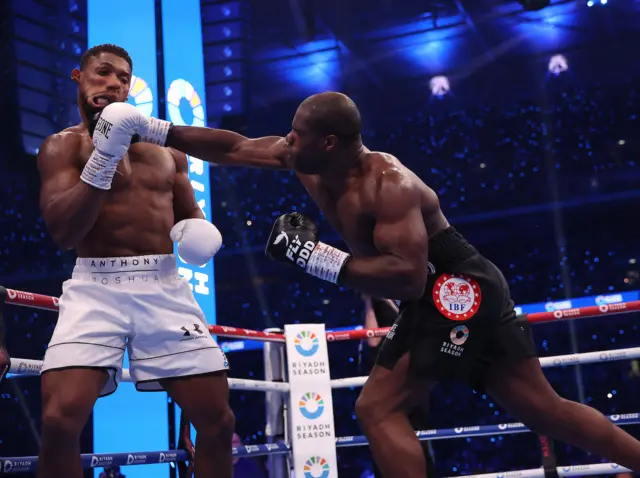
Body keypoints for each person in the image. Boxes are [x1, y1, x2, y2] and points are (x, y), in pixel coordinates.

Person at [87, 92, 640, 476]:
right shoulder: (302, 158)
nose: (286, 138)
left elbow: (409, 274)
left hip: (453, 287)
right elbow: (232, 147)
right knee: (545, 411)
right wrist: (153, 128)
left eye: (298, 133)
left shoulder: (388, 184)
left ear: (328, 142)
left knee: (377, 408)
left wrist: (317, 257)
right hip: (443, 292)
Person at [36, 44, 284, 478]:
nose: (114, 83)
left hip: (163, 284)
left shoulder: (168, 151)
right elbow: (64, 233)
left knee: (218, 421)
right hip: (96, 286)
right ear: (79, 77)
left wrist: (197, 231)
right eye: (104, 73)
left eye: (123, 78)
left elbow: (189, 216)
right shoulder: (61, 147)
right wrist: (104, 156)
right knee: (58, 421)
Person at [361, 295, 435, 478]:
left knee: (419, 437)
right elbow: (372, 342)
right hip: (390, 378)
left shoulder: (411, 301)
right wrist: (369, 301)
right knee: (388, 438)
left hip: (412, 377)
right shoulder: (378, 303)